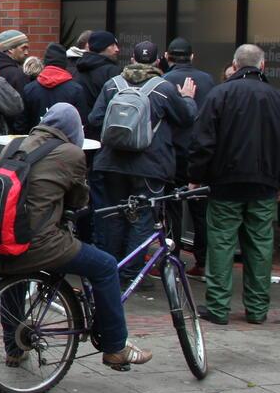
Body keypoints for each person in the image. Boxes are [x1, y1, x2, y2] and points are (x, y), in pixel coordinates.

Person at [0, 103, 152, 370]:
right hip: (39, 244)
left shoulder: (14, 146)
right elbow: (78, 201)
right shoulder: (70, 153)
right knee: (104, 266)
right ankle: (116, 347)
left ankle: (14, 348)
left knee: (15, 273)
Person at [188, 44, 280, 325]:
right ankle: (257, 308)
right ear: (263, 66)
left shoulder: (220, 95)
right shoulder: (278, 99)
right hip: (264, 185)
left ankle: (217, 307)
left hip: (225, 184)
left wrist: (196, 176)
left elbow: (202, 143)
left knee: (221, 244)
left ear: (235, 65)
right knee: (261, 245)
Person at [85, 41, 198, 281]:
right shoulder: (164, 88)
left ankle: (110, 269)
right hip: (150, 165)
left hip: (112, 162)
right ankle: (131, 272)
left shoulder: (111, 85)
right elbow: (186, 118)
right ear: (159, 61)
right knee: (142, 218)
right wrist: (188, 98)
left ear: (132, 59)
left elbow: (95, 119)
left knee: (114, 215)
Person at [160, 38, 217, 273]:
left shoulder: (163, 82)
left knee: (172, 207)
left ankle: (172, 259)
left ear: (167, 56)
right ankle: (203, 261)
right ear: (192, 56)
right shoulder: (207, 80)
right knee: (200, 209)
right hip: (201, 152)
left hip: (173, 152)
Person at [22, 43, 93, 119]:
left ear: (45, 62)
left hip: (37, 130)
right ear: (64, 63)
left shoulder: (29, 89)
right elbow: (81, 122)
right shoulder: (76, 90)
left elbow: (22, 123)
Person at [74, 31, 123, 98]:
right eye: (112, 45)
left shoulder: (78, 68)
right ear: (101, 47)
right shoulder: (112, 71)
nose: (117, 49)